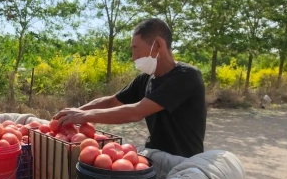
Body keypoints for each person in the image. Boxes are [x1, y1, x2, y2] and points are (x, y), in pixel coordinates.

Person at [54, 18, 206, 158]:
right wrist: (75, 113)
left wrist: (84, 116)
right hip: (155, 156)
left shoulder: (186, 76)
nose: (133, 57)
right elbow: (111, 102)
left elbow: (137, 112)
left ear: (158, 45)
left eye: (136, 49)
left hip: (185, 161)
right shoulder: (146, 78)